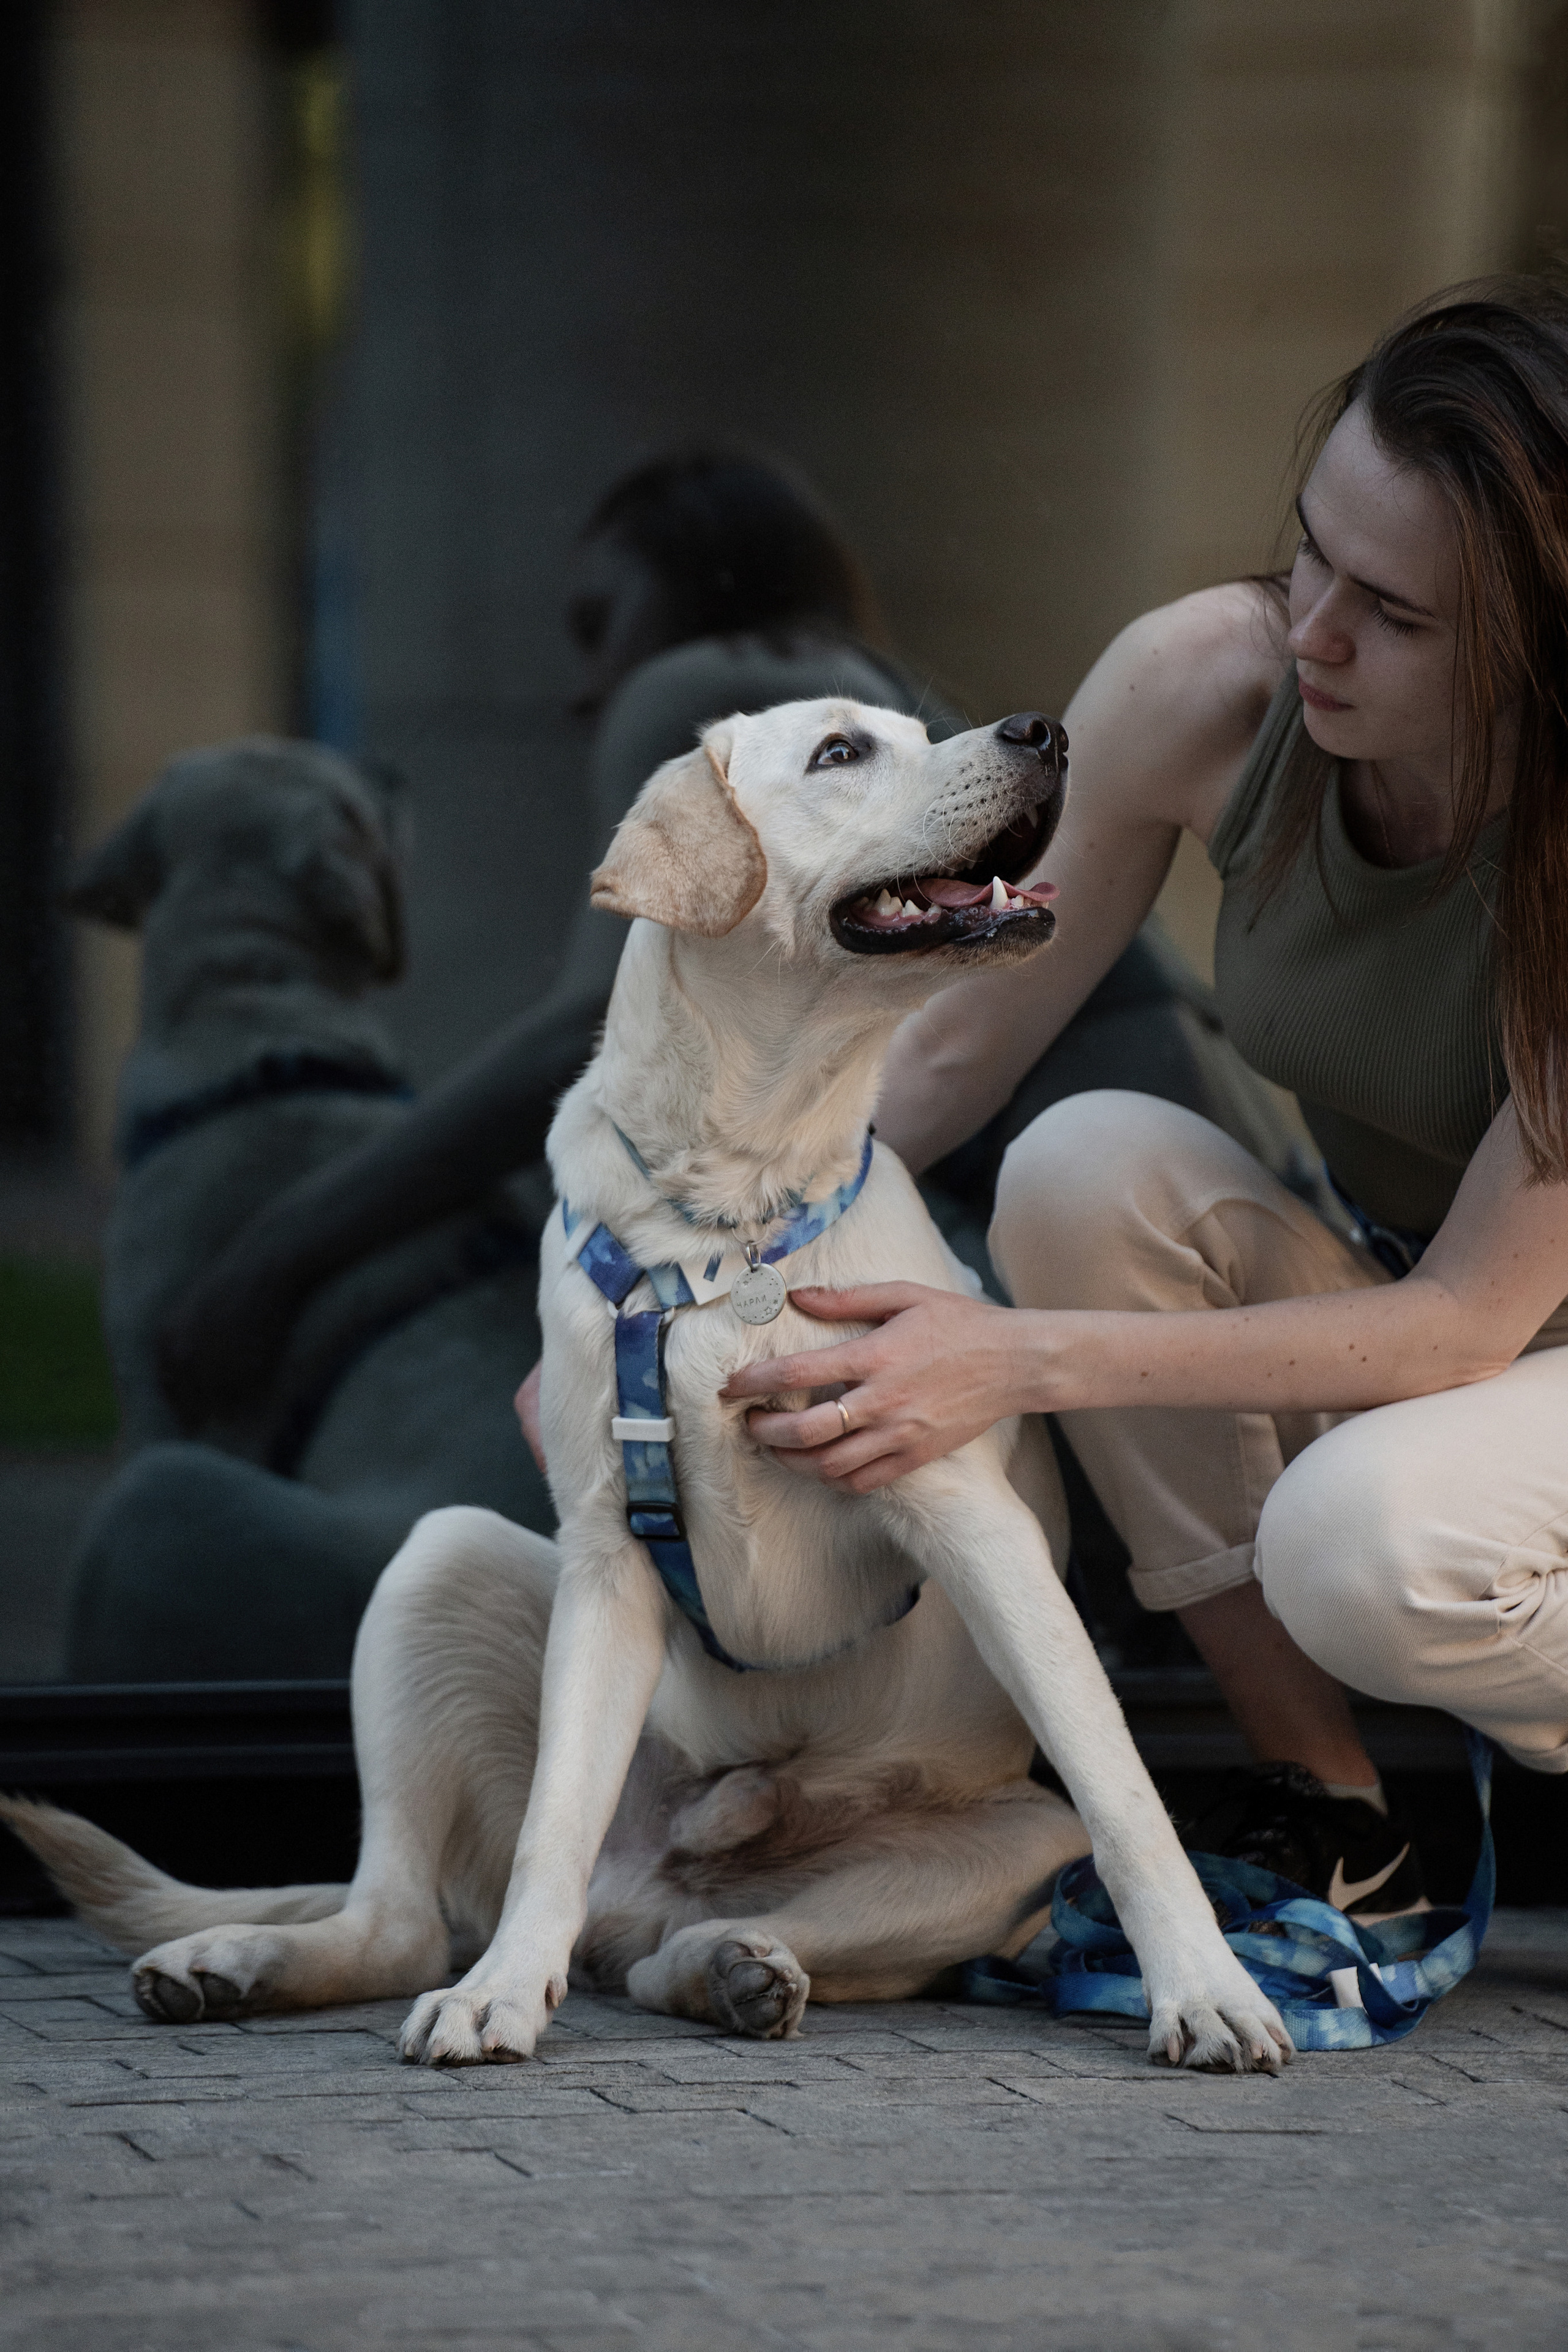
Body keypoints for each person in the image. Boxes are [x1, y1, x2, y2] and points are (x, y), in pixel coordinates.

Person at [723, 279, 1568, 1918]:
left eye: (1398, 616)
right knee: (1082, 1163)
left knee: (1364, 1544)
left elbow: (1469, 1326)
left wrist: (1006, 1361)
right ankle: (1342, 1817)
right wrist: (679, 1265)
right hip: (1439, 1321)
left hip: (1497, 1341)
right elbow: (959, 1050)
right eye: (1317, 549)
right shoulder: (1212, 686)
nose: (1315, 626)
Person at [157, 450, 1293, 1456]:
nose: (586, 687)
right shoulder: (857, 691)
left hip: (1073, 1225)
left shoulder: (717, 690)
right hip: (1192, 1212)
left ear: (695, 580)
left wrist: (282, 1251)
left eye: (601, 623)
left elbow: (596, 1034)